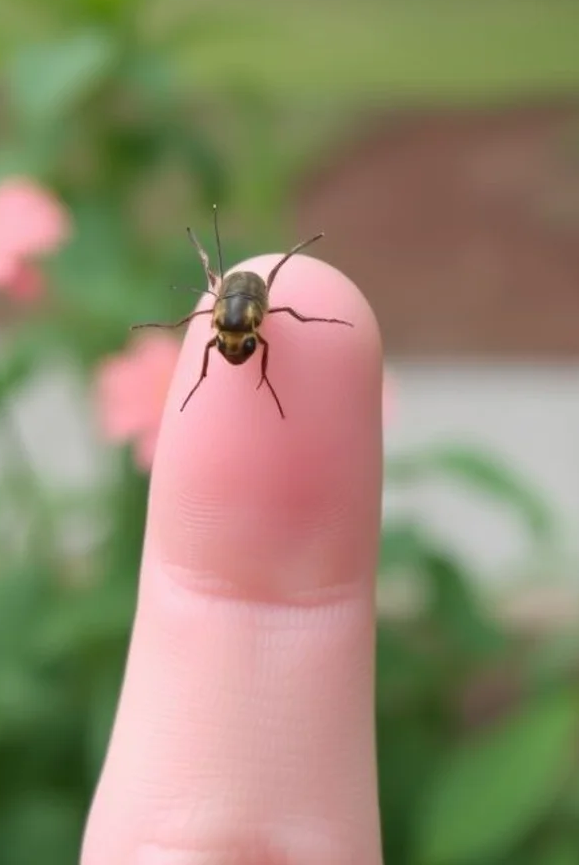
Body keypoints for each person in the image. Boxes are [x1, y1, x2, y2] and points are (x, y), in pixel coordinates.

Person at [80, 253, 385, 864]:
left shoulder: (259, 319)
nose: (234, 346)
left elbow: (268, 313)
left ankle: (288, 259)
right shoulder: (225, 325)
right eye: (227, 338)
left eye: (237, 339)